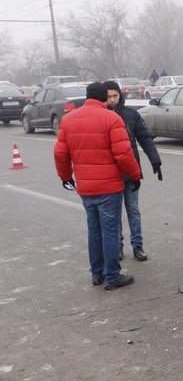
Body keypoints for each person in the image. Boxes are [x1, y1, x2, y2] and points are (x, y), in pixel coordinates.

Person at [54, 82, 142, 290]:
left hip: (85, 186)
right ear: (104, 97)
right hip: (109, 187)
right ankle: (112, 275)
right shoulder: (112, 119)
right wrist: (135, 175)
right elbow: (124, 154)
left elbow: (60, 153)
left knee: (94, 230)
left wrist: (66, 176)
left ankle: (97, 273)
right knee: (110, 231)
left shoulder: (68, 120)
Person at [103, 80, 162, 262]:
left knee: (133, 210)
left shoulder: (131, 115)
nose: (113, 100)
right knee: (114, 213)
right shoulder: (101, 116)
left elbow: (145, 139)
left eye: (115, 96)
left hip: (131, 171)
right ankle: (118, 246)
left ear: (120, 95)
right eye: (109, 97)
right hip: (111, 174)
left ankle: (138, 245)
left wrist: (155, 160)